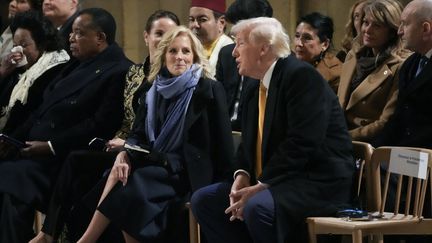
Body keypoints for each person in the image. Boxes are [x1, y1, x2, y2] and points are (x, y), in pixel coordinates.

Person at [191, 17, 354, 243]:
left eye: (240, 43)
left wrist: (260, 185)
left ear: (263, 48)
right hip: (275, 180)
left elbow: (302, 143)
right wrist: (242, 175)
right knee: (205, 200)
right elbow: (248, 142)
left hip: (315, 182)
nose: (233, 53)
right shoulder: (252, 83)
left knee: (257, 207)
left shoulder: (300, 77)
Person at [29, 10, 180, 243]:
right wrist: (119, 142)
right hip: (124, 143)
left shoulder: (174, 77)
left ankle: (66, 236)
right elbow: (123, 119)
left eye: (171, 34)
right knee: (76, 161)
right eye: (159, 33)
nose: (165, 40)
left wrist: (127, 146)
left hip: (149, 152)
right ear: (146, 37)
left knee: (94, 177)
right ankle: (50, 233)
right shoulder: (134, 73)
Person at [76, 26, 233, 243]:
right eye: (173, 51)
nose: (179, 57)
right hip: (156, 162)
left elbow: (224, 141)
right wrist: (125, 154)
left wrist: (227, 181)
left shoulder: (209, 89)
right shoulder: (152, 90)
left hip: (186, 170)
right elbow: (137, 134)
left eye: (186, 51)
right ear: (163, 55)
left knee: (132, 184)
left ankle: (86, 240)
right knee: (118, 176)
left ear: (195, 56)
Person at [0, 8, 131, 242]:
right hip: (33, 153)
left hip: (64, 159)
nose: (70, 38)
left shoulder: (118, 70)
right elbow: (41, 111)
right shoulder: (74, 65)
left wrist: (50, 145)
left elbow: (98, 125)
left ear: (100, 38)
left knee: (11, 180)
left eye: (79, 33)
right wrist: (12, 140)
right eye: (71, 33)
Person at [338, 0, 410, 142]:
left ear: (392, 31)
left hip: (367, 143)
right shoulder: (352, 56)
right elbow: (339, 104)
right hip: (338, 137)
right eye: (366, 22)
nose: (367, 30)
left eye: (376, 25)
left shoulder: (400, 66)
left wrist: (344, 137)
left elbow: (385, 122)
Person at [0, 10, 69, 134]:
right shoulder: (14, 70)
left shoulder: (55, 71)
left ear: (42, 45)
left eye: (23, 45)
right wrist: (3, 72)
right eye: (15, 45)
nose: (17, 51)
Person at [216, 0, 273, 131]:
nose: (234, 51)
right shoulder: (226, 54)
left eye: (237, 32)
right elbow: (218, 100)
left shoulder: (277, 60)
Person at [294, 12, 343, 93]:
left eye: (307, 38)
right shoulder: (287, 63)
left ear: (325, 44)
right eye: (297, 36)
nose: (299, 43)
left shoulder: (335, 75)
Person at [189, 0, 233, 77]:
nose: (195, 25)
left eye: (202, 19)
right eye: (191, 20)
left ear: (221, 23)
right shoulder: (187, 48)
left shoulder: (230, 52)